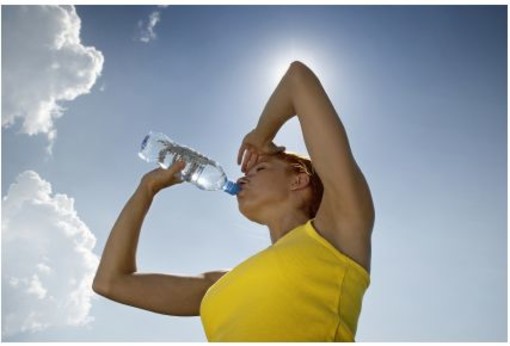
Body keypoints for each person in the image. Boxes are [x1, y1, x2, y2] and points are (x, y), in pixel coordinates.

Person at [92, 61, 375, 341]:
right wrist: (146, 189)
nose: (242, 176)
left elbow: (297, 79)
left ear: (298, 181)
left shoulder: (339, 230)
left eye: (260, 168)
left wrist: (262, 136)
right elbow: (111, 283)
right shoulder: (221, 283)